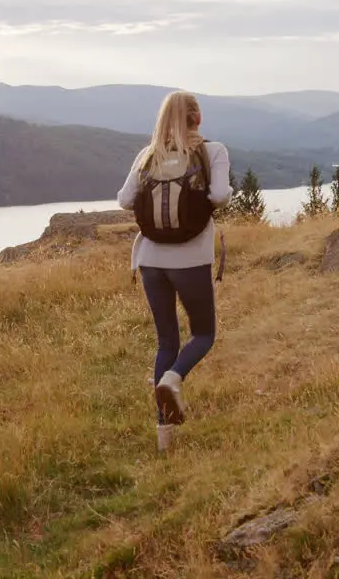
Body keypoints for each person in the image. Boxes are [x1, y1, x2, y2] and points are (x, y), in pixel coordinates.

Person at [117, 90, 232, 452]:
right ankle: (173, 379)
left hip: (150, 259)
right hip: (190, 259)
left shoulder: (147, 154)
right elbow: (220, 196)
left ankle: (164, 437)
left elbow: (123, 200)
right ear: (197, 118)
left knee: (167, 340)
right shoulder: (212, 151)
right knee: (203, 334)